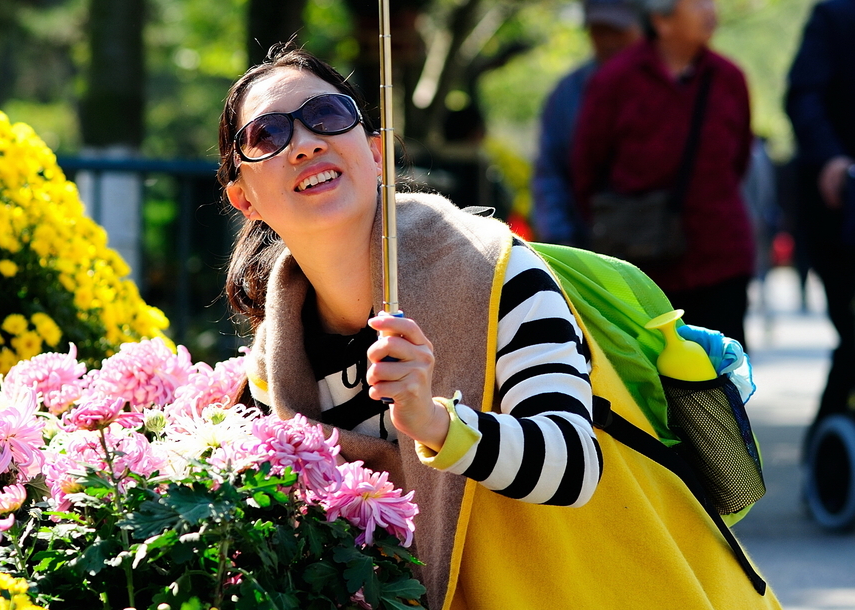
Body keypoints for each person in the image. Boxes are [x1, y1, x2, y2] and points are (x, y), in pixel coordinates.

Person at [218, 43, 779, 610]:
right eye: (267, 135)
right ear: (244, 199)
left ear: (375, 151)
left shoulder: (496, 270)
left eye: (328, 116)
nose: (307, 141)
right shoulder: (274, 363)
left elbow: (570, 465)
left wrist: (433, 423)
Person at [571, 0, 754, 349]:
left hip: (720, 256)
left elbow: (738, 161)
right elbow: (587, 171)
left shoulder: (729, 80)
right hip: (641, 268)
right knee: (650, 390)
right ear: (661, 17)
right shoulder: (615, 82)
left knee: (720, 387)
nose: (711, 8)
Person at [785, 0, 855, 431]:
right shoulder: (834, 17)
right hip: (839, 210)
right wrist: (830, 157)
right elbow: (803, 98)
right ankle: (826, 453)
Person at [532, 0, 642, 245]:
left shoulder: (663, 87)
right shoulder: (567, 94)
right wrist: (560, 244)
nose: (609, 41)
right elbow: (550, 174)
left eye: (618, 30)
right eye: (599, 30)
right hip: (588, 246)